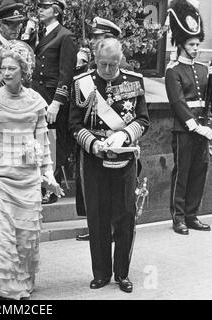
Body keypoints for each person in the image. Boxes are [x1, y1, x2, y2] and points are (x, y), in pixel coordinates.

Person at [0, 39, 63, 300]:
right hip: (1, 174)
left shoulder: (36, 101)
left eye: (12, 68)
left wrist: (48, 172)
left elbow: (43, 141)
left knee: (25, 237)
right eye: (3, 67)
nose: (7, 72)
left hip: (27, 176)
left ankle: (21, 283)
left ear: (23, 71)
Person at [69, 38, 150, 293]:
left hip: (125, 158)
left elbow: (143, 120)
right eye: (102, 64)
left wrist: (125, 135)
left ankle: (122, 273)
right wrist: (93, 143)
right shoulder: (81, 83)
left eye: (112, 64)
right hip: (94, 158)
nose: (106, 69)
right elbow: (73, 124)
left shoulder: (133, 81)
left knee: (125, 217)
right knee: (97, 216)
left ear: (120, 58)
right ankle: (101, 272)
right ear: (95, 58)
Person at [74, 17, 128, 242]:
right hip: (91, 142)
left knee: (115, 197)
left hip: (115, 144)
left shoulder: (122, 69)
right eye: (93, 38)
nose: (93, 41)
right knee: (92, 194)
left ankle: (113, 228)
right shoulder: (88, 67)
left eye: (99, 37)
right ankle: (96, 227)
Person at [22, 0, 76, 205]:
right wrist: (27, 34)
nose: (39, 11)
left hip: (51, 98)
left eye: (43, 8)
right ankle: (33, 184)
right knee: (33, 141)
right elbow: (23, 58)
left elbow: (66, 73)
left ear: (56, 11)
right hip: (35, 95)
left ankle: (52, 188)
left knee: (51, 144)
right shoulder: (38, 35)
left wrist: (57, 103)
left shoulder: (65, 36)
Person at [165, 0, 211, 235]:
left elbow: (209, 102)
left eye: (197, 44)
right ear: (181, 45)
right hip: (184, 129)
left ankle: (192, 214)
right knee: (182, 172)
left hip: (204, 128)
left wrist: (208, 126)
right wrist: (195, 127)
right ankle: (179, 217)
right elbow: (177, 103)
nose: (196, 48)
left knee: (199, 171)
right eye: (192, 44)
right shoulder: (172, 70)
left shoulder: (204, 69)